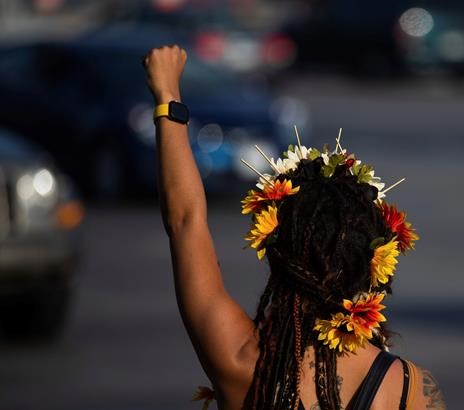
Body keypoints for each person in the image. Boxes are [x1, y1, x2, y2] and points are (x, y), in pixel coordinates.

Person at [142, 45, 446, 410]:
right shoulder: (409, 387)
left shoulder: (242, 361)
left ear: (279, 254)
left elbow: (185, 222)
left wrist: (168, 97)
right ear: (374, 263)